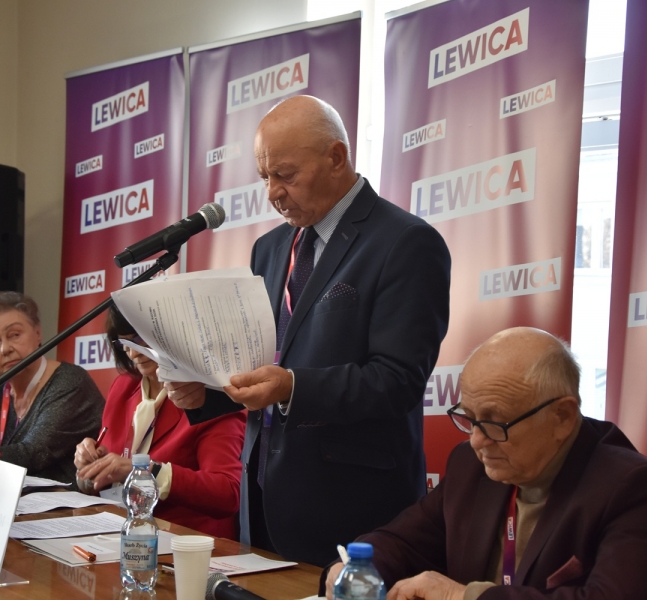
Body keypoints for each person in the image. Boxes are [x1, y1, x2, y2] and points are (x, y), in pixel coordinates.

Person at [166, 95, 451, 565]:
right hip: (261, 501)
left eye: (285, 175)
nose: (272, 193)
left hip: (351, 511)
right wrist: (206, 395)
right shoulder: (269, 248)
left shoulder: (405, 242)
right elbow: (264, 364)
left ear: (336, 158)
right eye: (265, 177)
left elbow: (397, 380)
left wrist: (292, 387)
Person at [323, 327, 647, 600]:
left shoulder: (638, 490)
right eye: (469, 418)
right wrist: (354, 571)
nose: (476, 440)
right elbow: (403, 541)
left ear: (562, 417)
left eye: (495, 422)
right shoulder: (471, 466)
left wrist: (462, 597)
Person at [73, 306, 245, 539]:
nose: (133, 354)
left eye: (140, 340)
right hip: (117, 532)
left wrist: (147, 472)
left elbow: (227, 494)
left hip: (185, 544)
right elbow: (109, 474)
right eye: (124, 343)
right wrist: (90, 465)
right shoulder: (123, 386)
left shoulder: (210, 396)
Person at [0, 291, 104, 484]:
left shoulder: (70, 382)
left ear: (37, 334)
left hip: (63, 501)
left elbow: (32, 454)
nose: (5, 349)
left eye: (14, 335)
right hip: (6, 498)